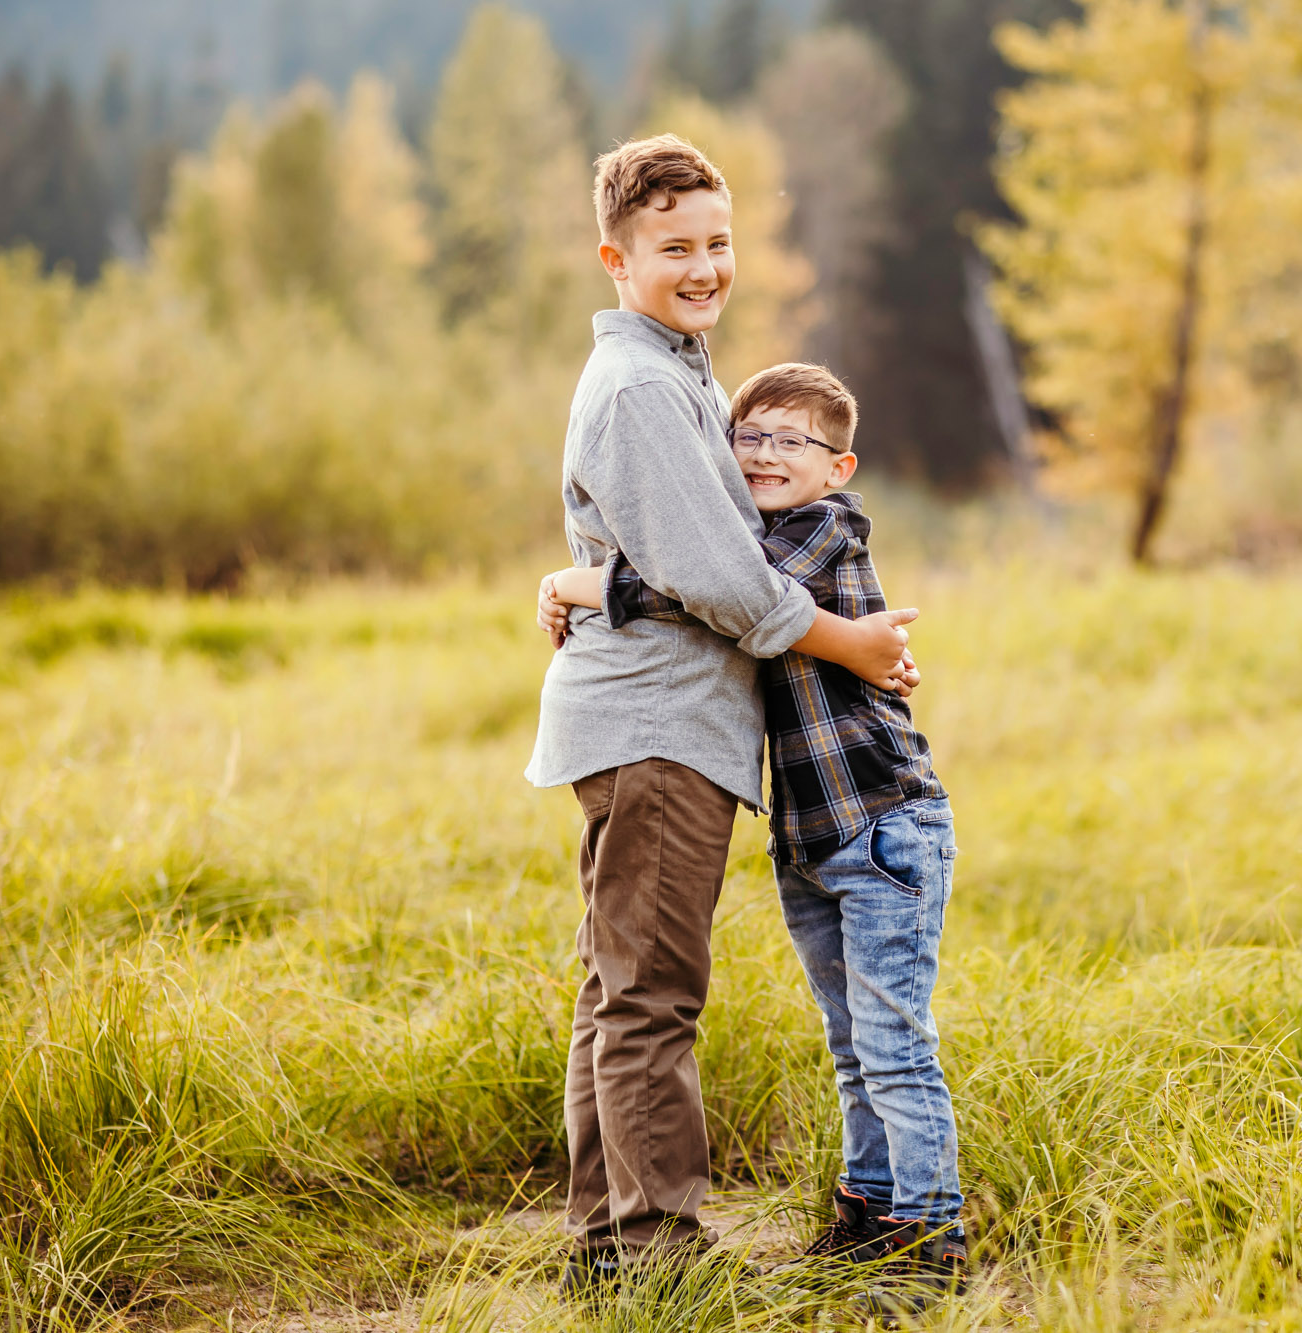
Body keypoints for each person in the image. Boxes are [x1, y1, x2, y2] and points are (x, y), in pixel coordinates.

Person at [524, 135, 921, 1300]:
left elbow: (674, 552)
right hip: (656, 729)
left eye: (718, 243)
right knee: (651, 995)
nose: (703, 267)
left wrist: (587, 580)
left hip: (662, 724)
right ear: (615, 256)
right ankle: (655, 1253)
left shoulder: (680, 366)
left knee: (619, 988)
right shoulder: (647, 384)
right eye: (673, 248)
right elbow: (725, 576)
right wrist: (847, 639)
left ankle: (608, 1242)